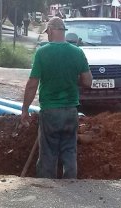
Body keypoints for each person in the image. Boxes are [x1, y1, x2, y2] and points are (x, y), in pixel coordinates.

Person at [20, 17, 92, 179]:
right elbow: (88, 81)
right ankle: (71, 184)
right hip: (70, 111)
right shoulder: (77, 52)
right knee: (69, 150)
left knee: (48, 153)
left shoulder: (42, 53)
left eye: (47, 33)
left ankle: (48, 192)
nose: (47, 36)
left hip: (50, 111)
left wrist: (25, 109)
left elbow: (32, 84)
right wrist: (73, 78)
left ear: (51, 30)